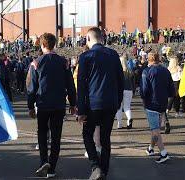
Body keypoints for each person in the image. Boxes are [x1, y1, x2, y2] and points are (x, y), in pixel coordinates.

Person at [27, 33, 76, 178]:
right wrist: (73, 103)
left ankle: (43, 161)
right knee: (56, 137)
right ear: (54, 44)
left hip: (43, 104)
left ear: (42, 45)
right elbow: (70, 85)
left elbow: (32, 87)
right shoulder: (64, 62)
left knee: (42, 135)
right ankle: (52, 167)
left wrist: (30, 106)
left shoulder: (36, 63)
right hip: (59, 105)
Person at [77, 27, 124, 179]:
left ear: (89, 39)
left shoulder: (85, 56)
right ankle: (103, 170)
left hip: (92, 104)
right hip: (110, 103)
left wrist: (81, 110)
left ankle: (95, 166)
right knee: (105, 138)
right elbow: (120, 80)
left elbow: (82, 85)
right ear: (102, 38)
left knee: (87, 134)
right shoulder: (113, 54)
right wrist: (118, 102)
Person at [140, 52, 174, 162]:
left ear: (149, 60)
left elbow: (144, 91)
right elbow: (171, 90)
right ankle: (150, 148)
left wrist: (143, 100)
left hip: (151, 104)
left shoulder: (146, 71)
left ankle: (163, 153)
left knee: (155, 130)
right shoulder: (166, 71)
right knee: (156, 129)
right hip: (162, 103)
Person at [116, 54, 135, 129]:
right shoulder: (129, 71)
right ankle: (129, 119)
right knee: (127, 107)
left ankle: (119, 124)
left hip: (120, 90)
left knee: (119, 107)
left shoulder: (118, 71)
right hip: (129, 89)